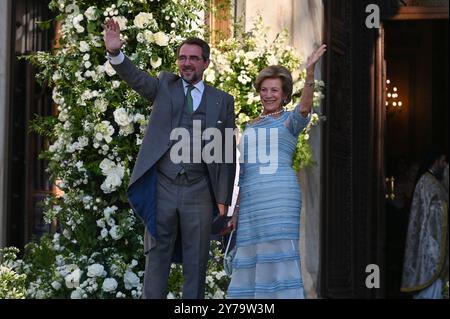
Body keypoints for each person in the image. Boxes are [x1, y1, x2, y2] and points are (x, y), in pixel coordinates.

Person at [103, 19, 236, 299]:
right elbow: (138, 79)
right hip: (163, 186)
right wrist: (116, 54)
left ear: (206, 64)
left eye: (193, 58)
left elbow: (225, 154)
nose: (186, 63)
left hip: (200, 189)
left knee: (197, 261)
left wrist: (223, 202)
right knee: (157, 256)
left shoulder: (222, 100)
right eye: (182, 57)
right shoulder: (165, 85)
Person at [227, 45, 327, 299]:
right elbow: (245, 170)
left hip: (280, 199)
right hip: (251, 201)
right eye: (264, 90)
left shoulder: (290, 121)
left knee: (279, 257)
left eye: (274, 90)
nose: (268, 95)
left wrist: (309, 73)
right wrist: (236, 210)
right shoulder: (249, 125)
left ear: (284, 95)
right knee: (251, 258)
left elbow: (305, 108)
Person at [401, 151, 448, 299]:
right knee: (430, 290)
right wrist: (445, 207)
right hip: (430, 248)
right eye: (443, 161)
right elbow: (428, 213)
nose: (445, 164)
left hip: (440, 243)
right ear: (436, 160)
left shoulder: (436, 182)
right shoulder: (425, 182)